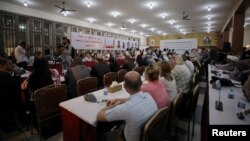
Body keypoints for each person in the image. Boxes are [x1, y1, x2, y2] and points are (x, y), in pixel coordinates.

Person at [97, 71, 158, 141]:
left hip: (130, 138)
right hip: (149, 136)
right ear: (141, 83)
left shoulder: (125, 108)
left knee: (107, 127)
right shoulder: (148, 95)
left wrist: (115, 104)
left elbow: (99, 116)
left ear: (125, 86)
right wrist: (119, 99)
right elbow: (134, 99)